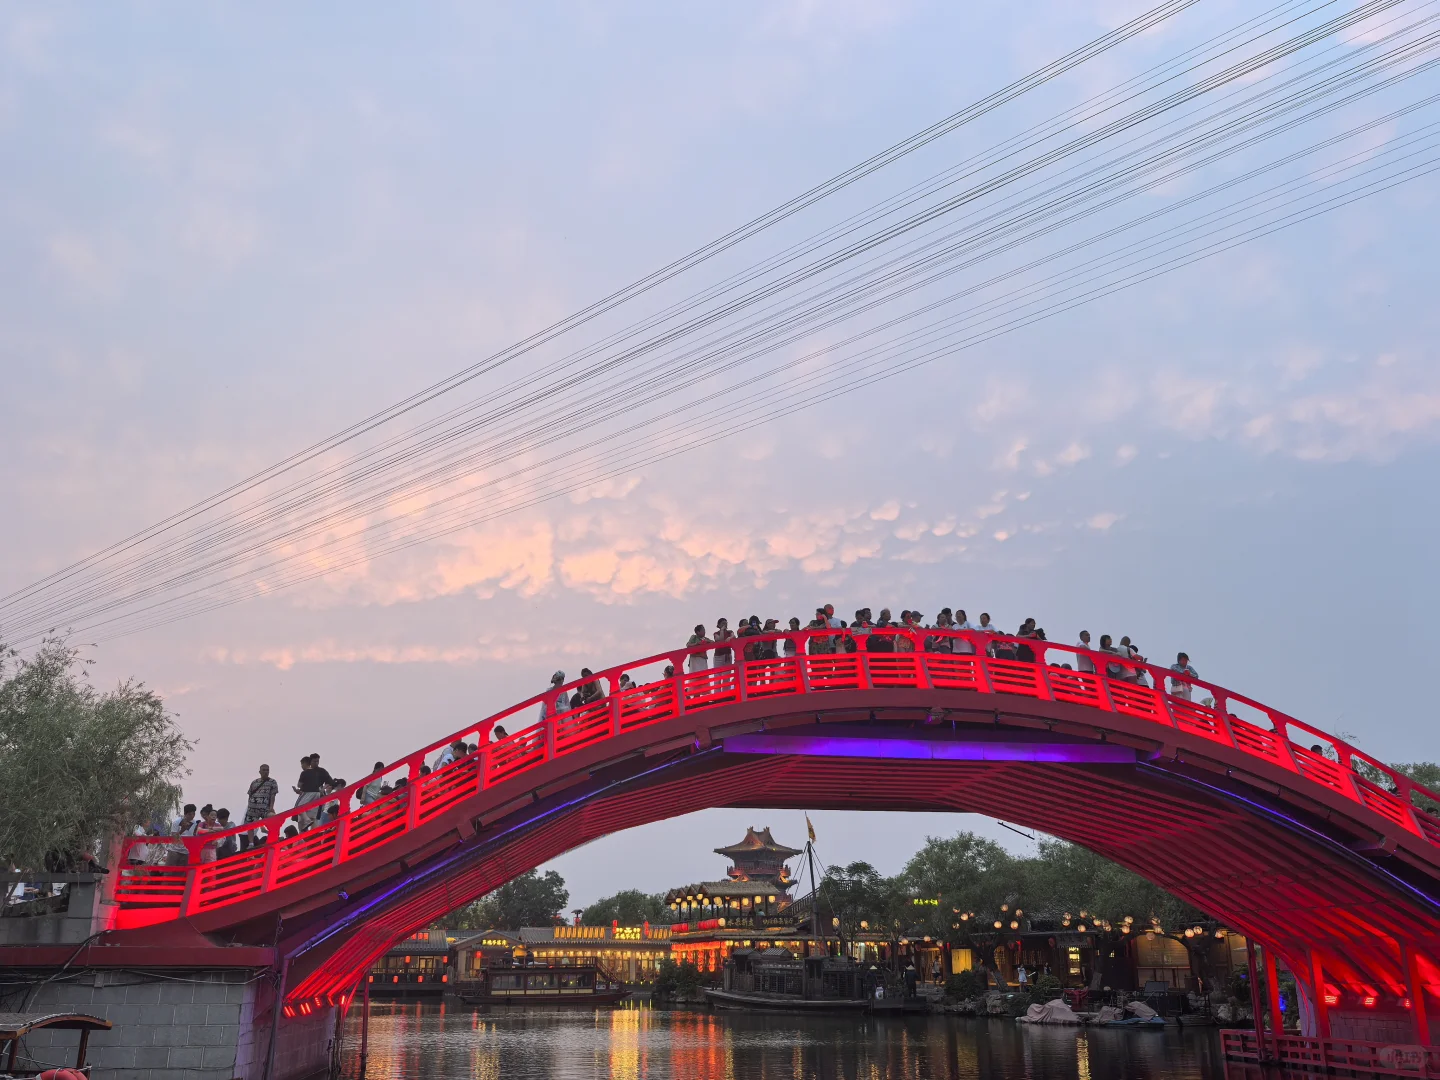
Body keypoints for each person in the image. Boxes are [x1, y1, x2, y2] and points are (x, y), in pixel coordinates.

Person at [241, 765, 279, 850]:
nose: (266, 772)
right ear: (260, 771)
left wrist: (271, 807)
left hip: (265, 807)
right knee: (250, 825)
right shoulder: (254, 782)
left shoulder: (272, 782)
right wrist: (249, 806)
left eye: (267, 770)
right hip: (252, 807)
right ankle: (251, 843)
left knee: (273, 819)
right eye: (264, 770)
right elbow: (250, 794)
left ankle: (273, 838)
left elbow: (273, 795)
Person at [295, 754, 333, 829]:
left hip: (316, 795)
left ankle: (314, 836)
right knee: (302, 818)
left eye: (317, 761)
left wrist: (323, 789)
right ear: (310, 761)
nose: (316, 763)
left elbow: (330, 782)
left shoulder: (321, 771)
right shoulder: (307, 772)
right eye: (314, 761)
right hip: (306, 794)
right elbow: (303, 786)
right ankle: (304, 836)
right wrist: (299, 791)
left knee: (313, 817)